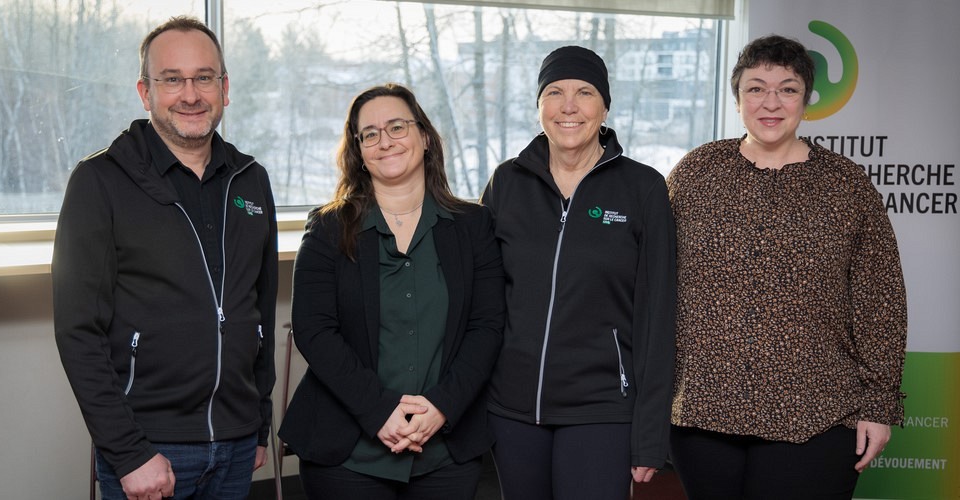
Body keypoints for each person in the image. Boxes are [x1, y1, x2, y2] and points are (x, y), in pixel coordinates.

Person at [666, 34, 908, 500]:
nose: (770, 102)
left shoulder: (846, 185)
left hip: (818, 413)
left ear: (806, 98)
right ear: (737, 98)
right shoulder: (696, 173)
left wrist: (879, 405)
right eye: (756, 88)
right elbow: (653, 281)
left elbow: (881, 299)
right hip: (702, 412)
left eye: (788, 88)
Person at [52, 16, 277, 500]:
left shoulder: (251, 179)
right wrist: (128, 452)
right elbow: (78, 332)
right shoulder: (100, 181)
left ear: (225, 87)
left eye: (204, 77)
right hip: (151, 448)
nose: (190, 94)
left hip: (237, 443)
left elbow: (261, 305)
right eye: (172, 79)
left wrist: (258, 422)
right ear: (145, 91)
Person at [278, 83, 505, 499]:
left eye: (397, 126)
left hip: (445, 450)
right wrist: (377, 410)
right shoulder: (329, 228)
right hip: (347, 451)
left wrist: (442, 406)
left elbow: (487, 326)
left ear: (424, 137)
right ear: (359, 152)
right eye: (370, 134)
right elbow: (314, 330)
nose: (385, 141)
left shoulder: (473, 227)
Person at [480, 46, 677, 500]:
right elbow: (484, 300)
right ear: (539, 107)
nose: (569, 106)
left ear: (604, 106)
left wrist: (650, 434)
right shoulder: (507, 183)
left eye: (584, 92)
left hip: (603, 409)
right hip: (512, 410)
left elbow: (657, 317)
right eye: (555, 92)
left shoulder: (642, 187)